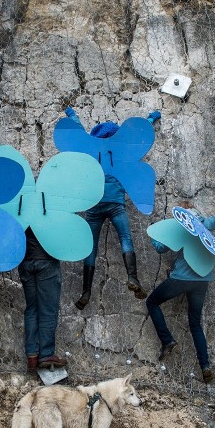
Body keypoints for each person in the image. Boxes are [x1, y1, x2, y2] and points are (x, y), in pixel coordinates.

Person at [63, 107, 161, 309]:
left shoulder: (89, 150)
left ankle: (86, 291)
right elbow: (138, 134)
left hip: (94, 206)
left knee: (91, 247)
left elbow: (79, 133)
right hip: (116, 204)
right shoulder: (122, 148)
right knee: (126, 238)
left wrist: (72, 115)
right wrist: (151, 118)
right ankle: (132, 277)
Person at [146, 186, 215, 384]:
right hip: (202, 281)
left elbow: (161, 249)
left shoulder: (179, 227)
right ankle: (205, 367)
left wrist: (153, 233)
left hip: (181, 279)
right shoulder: (205, 224)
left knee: (152, 302)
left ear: (180, 214)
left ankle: (167, 340)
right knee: (195, 324)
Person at [18, 227, 68, 372]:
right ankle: (46, 354)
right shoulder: (48, 204)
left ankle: (32, 355)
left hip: (26, 261)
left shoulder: (20, 204)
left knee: (32, 309)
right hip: (46, 260)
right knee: (48, 310)